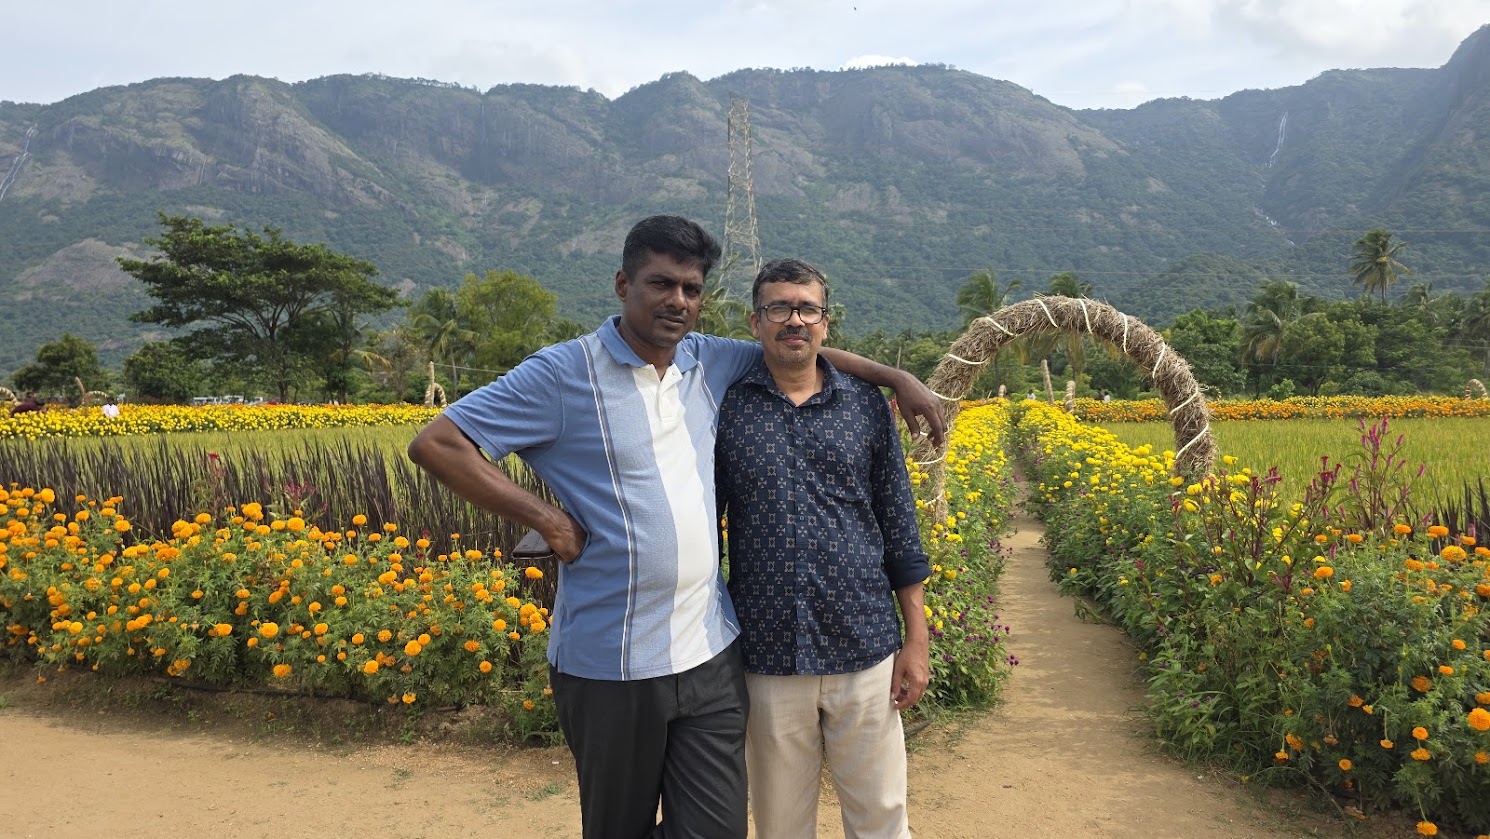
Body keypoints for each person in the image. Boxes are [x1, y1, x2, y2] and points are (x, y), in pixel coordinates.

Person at [406, 216, 944, 839]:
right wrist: (549, 520)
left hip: (710, 652)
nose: (677, 301)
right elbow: (438, 443)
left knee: (721, 829)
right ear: (623, 284)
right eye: (661, 284)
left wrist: (897, 378)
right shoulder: (563, 372)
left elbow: (797, 347)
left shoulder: (705, 360)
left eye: (691, 289)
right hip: (615, 660)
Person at [715, 258, 930, 838]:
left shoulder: (865, 405)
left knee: (881, 816)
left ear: (825, 323)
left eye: (808, 309)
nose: (795, 320)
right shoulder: (726, 408)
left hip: (864, 644)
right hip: (767, 652)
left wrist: (916, 638)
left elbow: (899, 527)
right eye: (779, 308)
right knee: (780, 823)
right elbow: (704, 525)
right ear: (756, 321)